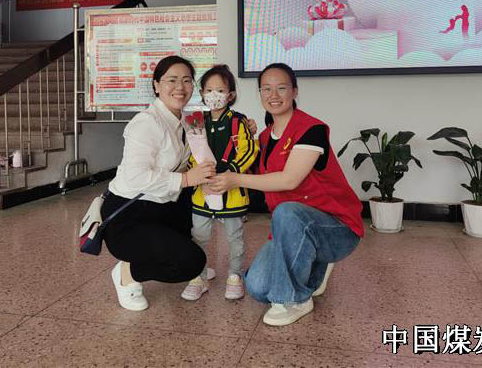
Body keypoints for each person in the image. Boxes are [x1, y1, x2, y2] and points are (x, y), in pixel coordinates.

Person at [208, 63, 364, 326]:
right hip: (289, 229)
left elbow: (289, 180)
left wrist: (234, 179)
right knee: (257, 287)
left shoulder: (311, 129)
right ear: (260, 93)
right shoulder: (264, 138)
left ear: (294, 91)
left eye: (281, 88)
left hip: (336, 227)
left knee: (288, 210)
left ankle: (293, 300)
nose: (274, 95)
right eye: (266, 89)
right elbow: (255, 176)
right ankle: (315, 268)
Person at [101, 55, 215, 311]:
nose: (180, 87)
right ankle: (127, 273)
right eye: (171, 80)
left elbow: (208, 147)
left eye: (187, 80)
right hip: (130, 214)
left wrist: (245, 127)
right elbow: (136, 176)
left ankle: (175, 250)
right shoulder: (146, 123)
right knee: (190, 263)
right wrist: (186, 179)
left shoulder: (190, 120)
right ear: (156, 85)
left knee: (193, 224)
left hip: (165, 207)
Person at [180, 65, 258, 302]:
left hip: (232, 191)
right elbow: (190, 153)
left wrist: (231, 171)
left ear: (230, 95)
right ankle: (198, 277)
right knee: (199, 236)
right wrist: (199, 173)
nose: (214, 95)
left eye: (220, 90)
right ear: (202, 93)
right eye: (209, 90)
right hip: (201, 192)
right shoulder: (196, 121)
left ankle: (235, 276)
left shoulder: (239, 121)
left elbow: (249, 150)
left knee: (235, 237)